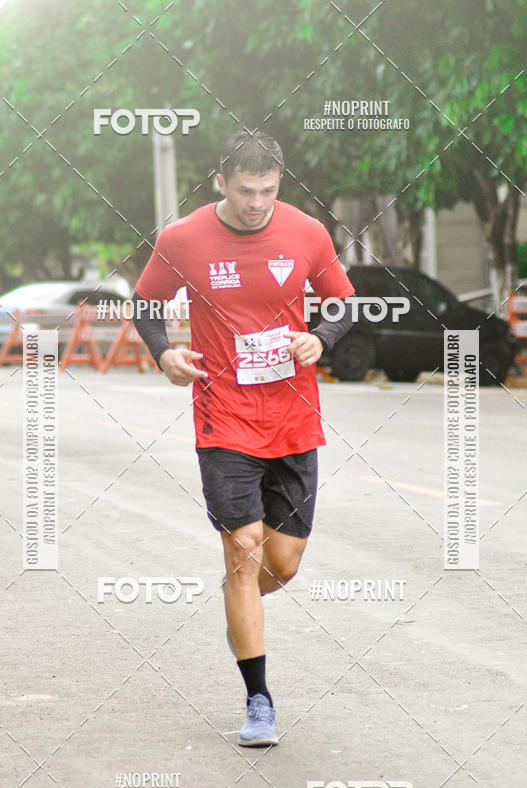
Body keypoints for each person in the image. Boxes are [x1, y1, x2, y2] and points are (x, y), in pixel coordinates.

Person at [132, 130, 355, 746]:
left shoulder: (307, 233)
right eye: (246, 191)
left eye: (269, 191)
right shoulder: (183, 239)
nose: (258, 203)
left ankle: (242, 603)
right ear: (221, 183)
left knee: (280, 564)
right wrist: (163, 354)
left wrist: (320, 339)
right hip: (223, 416)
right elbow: (145, 305)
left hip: (292, 417)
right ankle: (259, 700)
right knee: (244, 552)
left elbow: (343, 303)